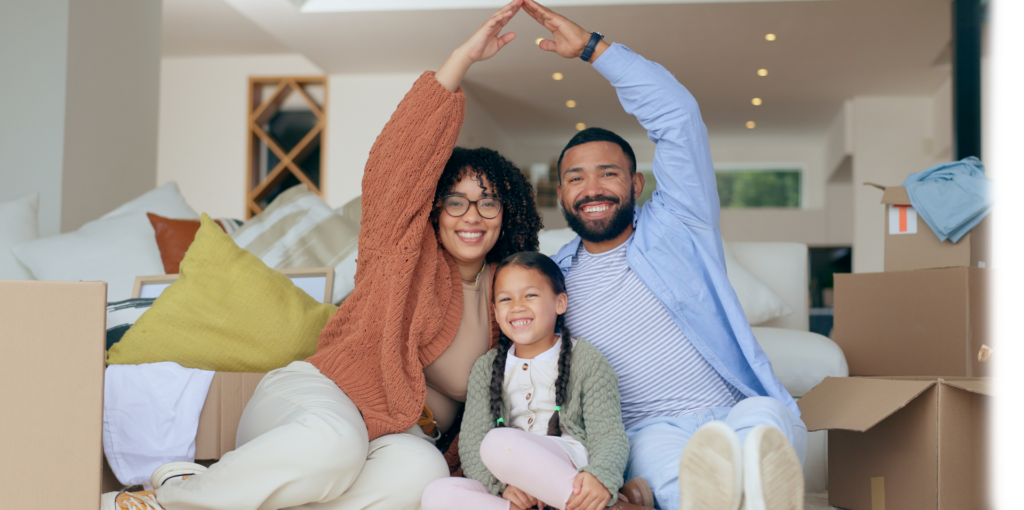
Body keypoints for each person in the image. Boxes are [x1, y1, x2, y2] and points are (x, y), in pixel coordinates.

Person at [101, 2, 543, 509]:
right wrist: (460, 62)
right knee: (335, 444)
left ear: (507, 213)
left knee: (422, 475)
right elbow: (394, 169)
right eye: (456, 201)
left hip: (402, 437)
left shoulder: (509, 291)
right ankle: (167, 501)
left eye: (489, 202)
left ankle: (193, 487)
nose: (472, 215)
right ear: (434, 210)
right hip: (320, 400)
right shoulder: (404, 256)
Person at [519, 2, 807, 510]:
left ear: (636, 184)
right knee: (684, 485)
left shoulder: (680, 224)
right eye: (576, 178)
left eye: (608, 173)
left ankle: (755, 487)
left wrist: (593, 49)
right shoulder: (552, 281)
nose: (592, 188)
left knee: (764, 426)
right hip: (651, 430)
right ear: (561, 195)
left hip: (737, 408)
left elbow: (678, 117)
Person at [421, 252, 651, 510]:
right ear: (495, 311)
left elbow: (608, 434)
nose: (517, 306)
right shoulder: (487, 368)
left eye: (530, 295)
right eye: (505, 299)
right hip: (511, 479)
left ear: (560, 303)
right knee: (437, 494)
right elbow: (473, 442)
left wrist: (601, 476)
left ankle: (588, 501)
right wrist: (501, 487)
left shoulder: (585, 359)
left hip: (568, 467)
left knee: (498, 442)